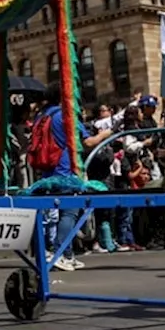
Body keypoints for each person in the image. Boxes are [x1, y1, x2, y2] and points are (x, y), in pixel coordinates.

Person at [33, 82, 113, 272]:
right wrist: (107, 133)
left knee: (55, 214)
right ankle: (60, 252)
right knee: (69, 212)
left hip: (47, 172)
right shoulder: (65, 116)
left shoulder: (42, 116)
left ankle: (66, 254)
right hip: (65, 171)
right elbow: (87, 142)